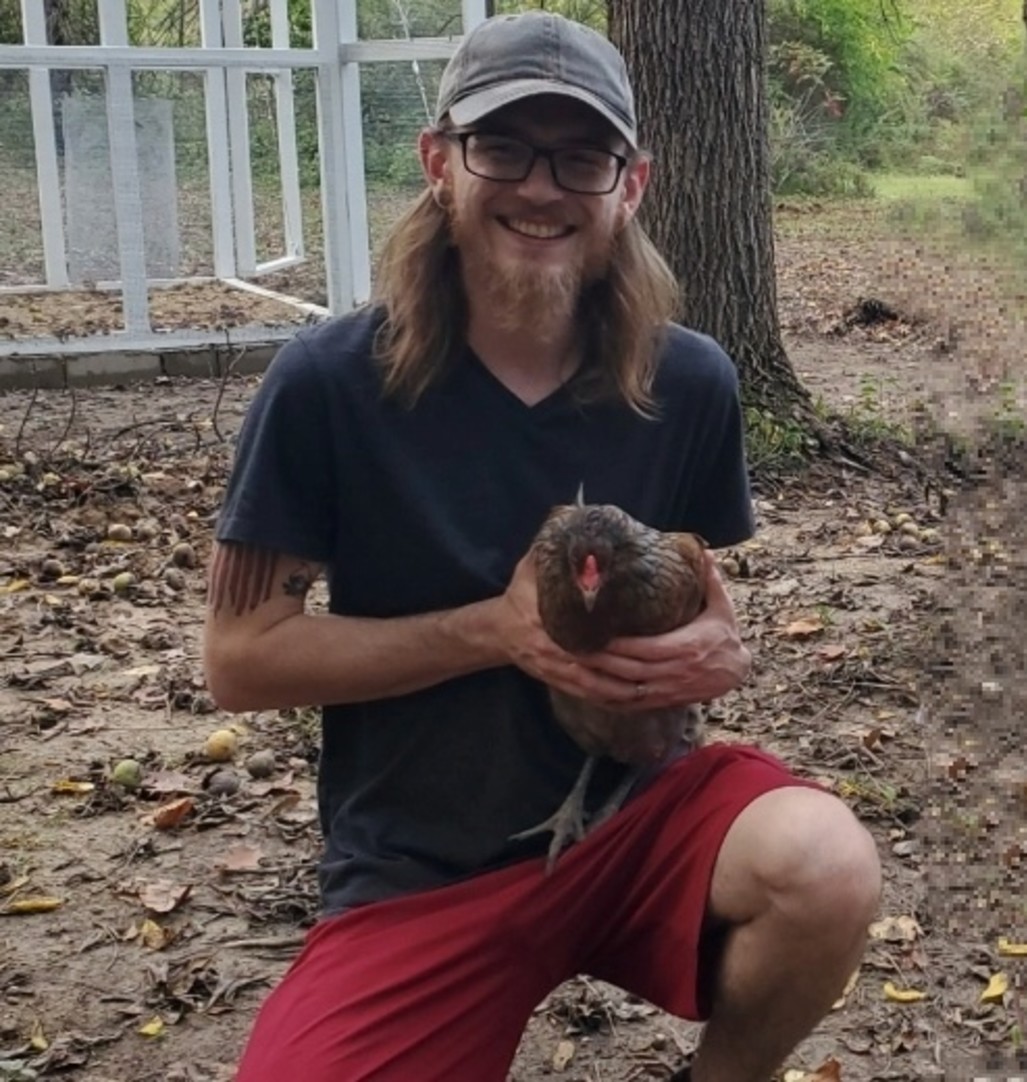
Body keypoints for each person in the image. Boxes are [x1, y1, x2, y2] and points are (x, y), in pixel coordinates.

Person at [204, 12, 881, 1082]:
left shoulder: (690, 382)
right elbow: (241, 660)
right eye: (504, 147)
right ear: (440, 163)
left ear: (631, 185)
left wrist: (721, 649)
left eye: (582, 157)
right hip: (423, 864)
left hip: (636, 814)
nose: (541, 187)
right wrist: (495, 631)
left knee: (826, 863)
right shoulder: (327, 386)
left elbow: (698, 593)